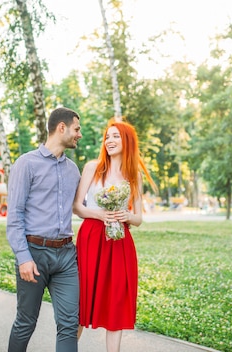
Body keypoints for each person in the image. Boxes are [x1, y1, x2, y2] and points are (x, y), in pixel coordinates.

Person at [73, 119, 156, 352]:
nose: (109, 141)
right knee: (81, 301)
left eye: (115, 136)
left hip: (120, 243)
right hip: (91, 239)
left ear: (127, 140)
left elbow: (139, 218)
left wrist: (126, 215)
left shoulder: (134, 176)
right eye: (107, 137)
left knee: (116, 301)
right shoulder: (92, 168)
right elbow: (77, 207)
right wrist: (101, 215)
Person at [6, 107, 83, 352]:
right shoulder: (26, 164)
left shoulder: (73, 170)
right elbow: (15, 216)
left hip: (66, 257)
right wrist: (23, 258)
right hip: (34, 254)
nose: (79, 135)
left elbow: (83, 207)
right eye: (77, 129)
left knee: (70, 323)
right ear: (62, 128)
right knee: (26, 322)